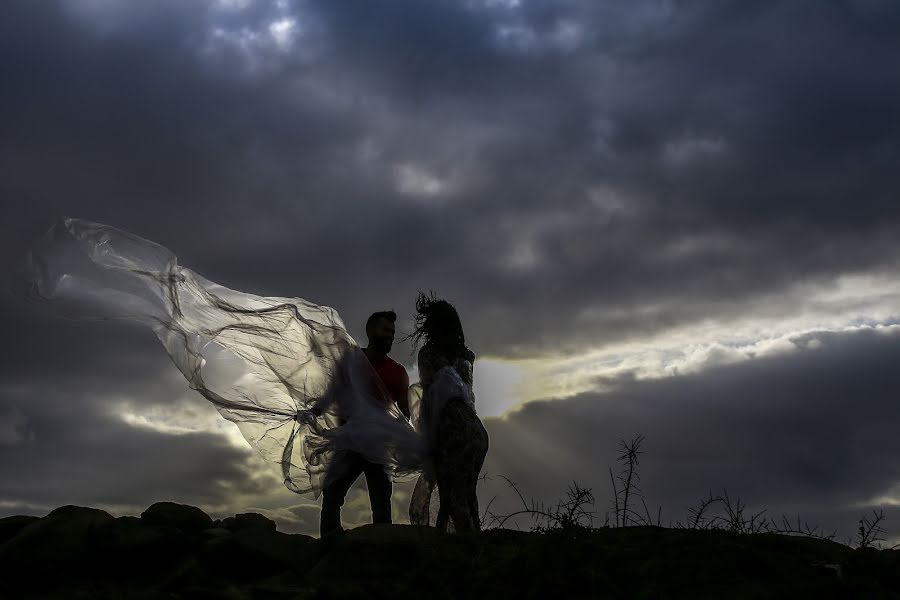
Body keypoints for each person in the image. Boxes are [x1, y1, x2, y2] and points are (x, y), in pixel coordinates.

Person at [317, 310, 410, 537]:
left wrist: (394, 430)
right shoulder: (350, 362)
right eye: (385, 330)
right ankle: (328, 545)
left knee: (381, 499)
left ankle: (382, 549)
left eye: (392, 332)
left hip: (377, 444)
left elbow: (405, 412)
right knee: (332, 494)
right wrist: (311, 412)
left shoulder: (397, 371)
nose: (389, 335)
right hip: (349, 440)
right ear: (370, 331)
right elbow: (332, 394)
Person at [407, 292, 489, 532]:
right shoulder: (467, 357)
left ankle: (465, 553)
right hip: (476, 431)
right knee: (466, 494)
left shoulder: (428, 355)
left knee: (452, 498)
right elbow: (468, 396)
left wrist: (428, 441)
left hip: (451, 431)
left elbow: (434, 399)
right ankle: (465, 546)